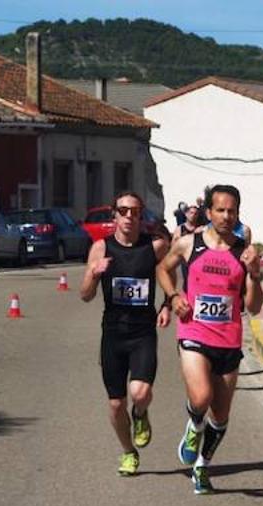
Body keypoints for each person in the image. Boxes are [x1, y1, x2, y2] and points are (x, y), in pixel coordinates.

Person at [156, 183, 263, 495]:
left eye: (232, 211)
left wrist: (254, 273)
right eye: (220, 210)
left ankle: (202, 465)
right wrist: (174, 295)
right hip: (194, 332)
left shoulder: (243, 251)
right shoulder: (190, 244)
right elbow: (162, 269)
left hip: (229, 340)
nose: (227, 216)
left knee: (221, 414)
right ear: (208, 212)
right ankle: (193, 424)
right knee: (201, 397)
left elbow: (254, 307)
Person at [79, 191, 171, 476]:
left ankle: (141, 414)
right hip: (113, 333)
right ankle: (128, 452)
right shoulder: (100, 248)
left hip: (143, 331)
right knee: (116, 403)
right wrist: (95, 273)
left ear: (141, 216)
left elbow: (169, 274)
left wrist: (167, 303)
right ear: (115, 215)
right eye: (123, 211)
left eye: (135, 211)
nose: (129, 216)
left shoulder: (154, 246)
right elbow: (85, 295)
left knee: (139, 392)